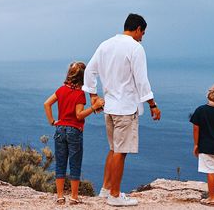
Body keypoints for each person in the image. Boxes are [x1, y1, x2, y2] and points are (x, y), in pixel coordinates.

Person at [82, 13, 161, 206]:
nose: (142, 37)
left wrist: (93, 96)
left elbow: (89, 71)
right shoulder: (135, 48)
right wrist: (153, 105)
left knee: (113, 149)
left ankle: (105, 190)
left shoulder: (105, 45)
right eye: (143, 32)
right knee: (121, 151)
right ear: (137, 29)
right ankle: (115, 195)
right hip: (125, 108)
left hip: (109, 107)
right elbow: (142, 80)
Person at [44, 61, 105, 205]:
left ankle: (59, 196)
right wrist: (94, 107)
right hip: (74, 131)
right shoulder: (79, 94)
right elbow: (79, 115)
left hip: (60, 129)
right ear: (83, 78)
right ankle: (74, 197)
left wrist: (53, 121)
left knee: (60, 163)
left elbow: (46, 103)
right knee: (75, 164)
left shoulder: (61, 90)